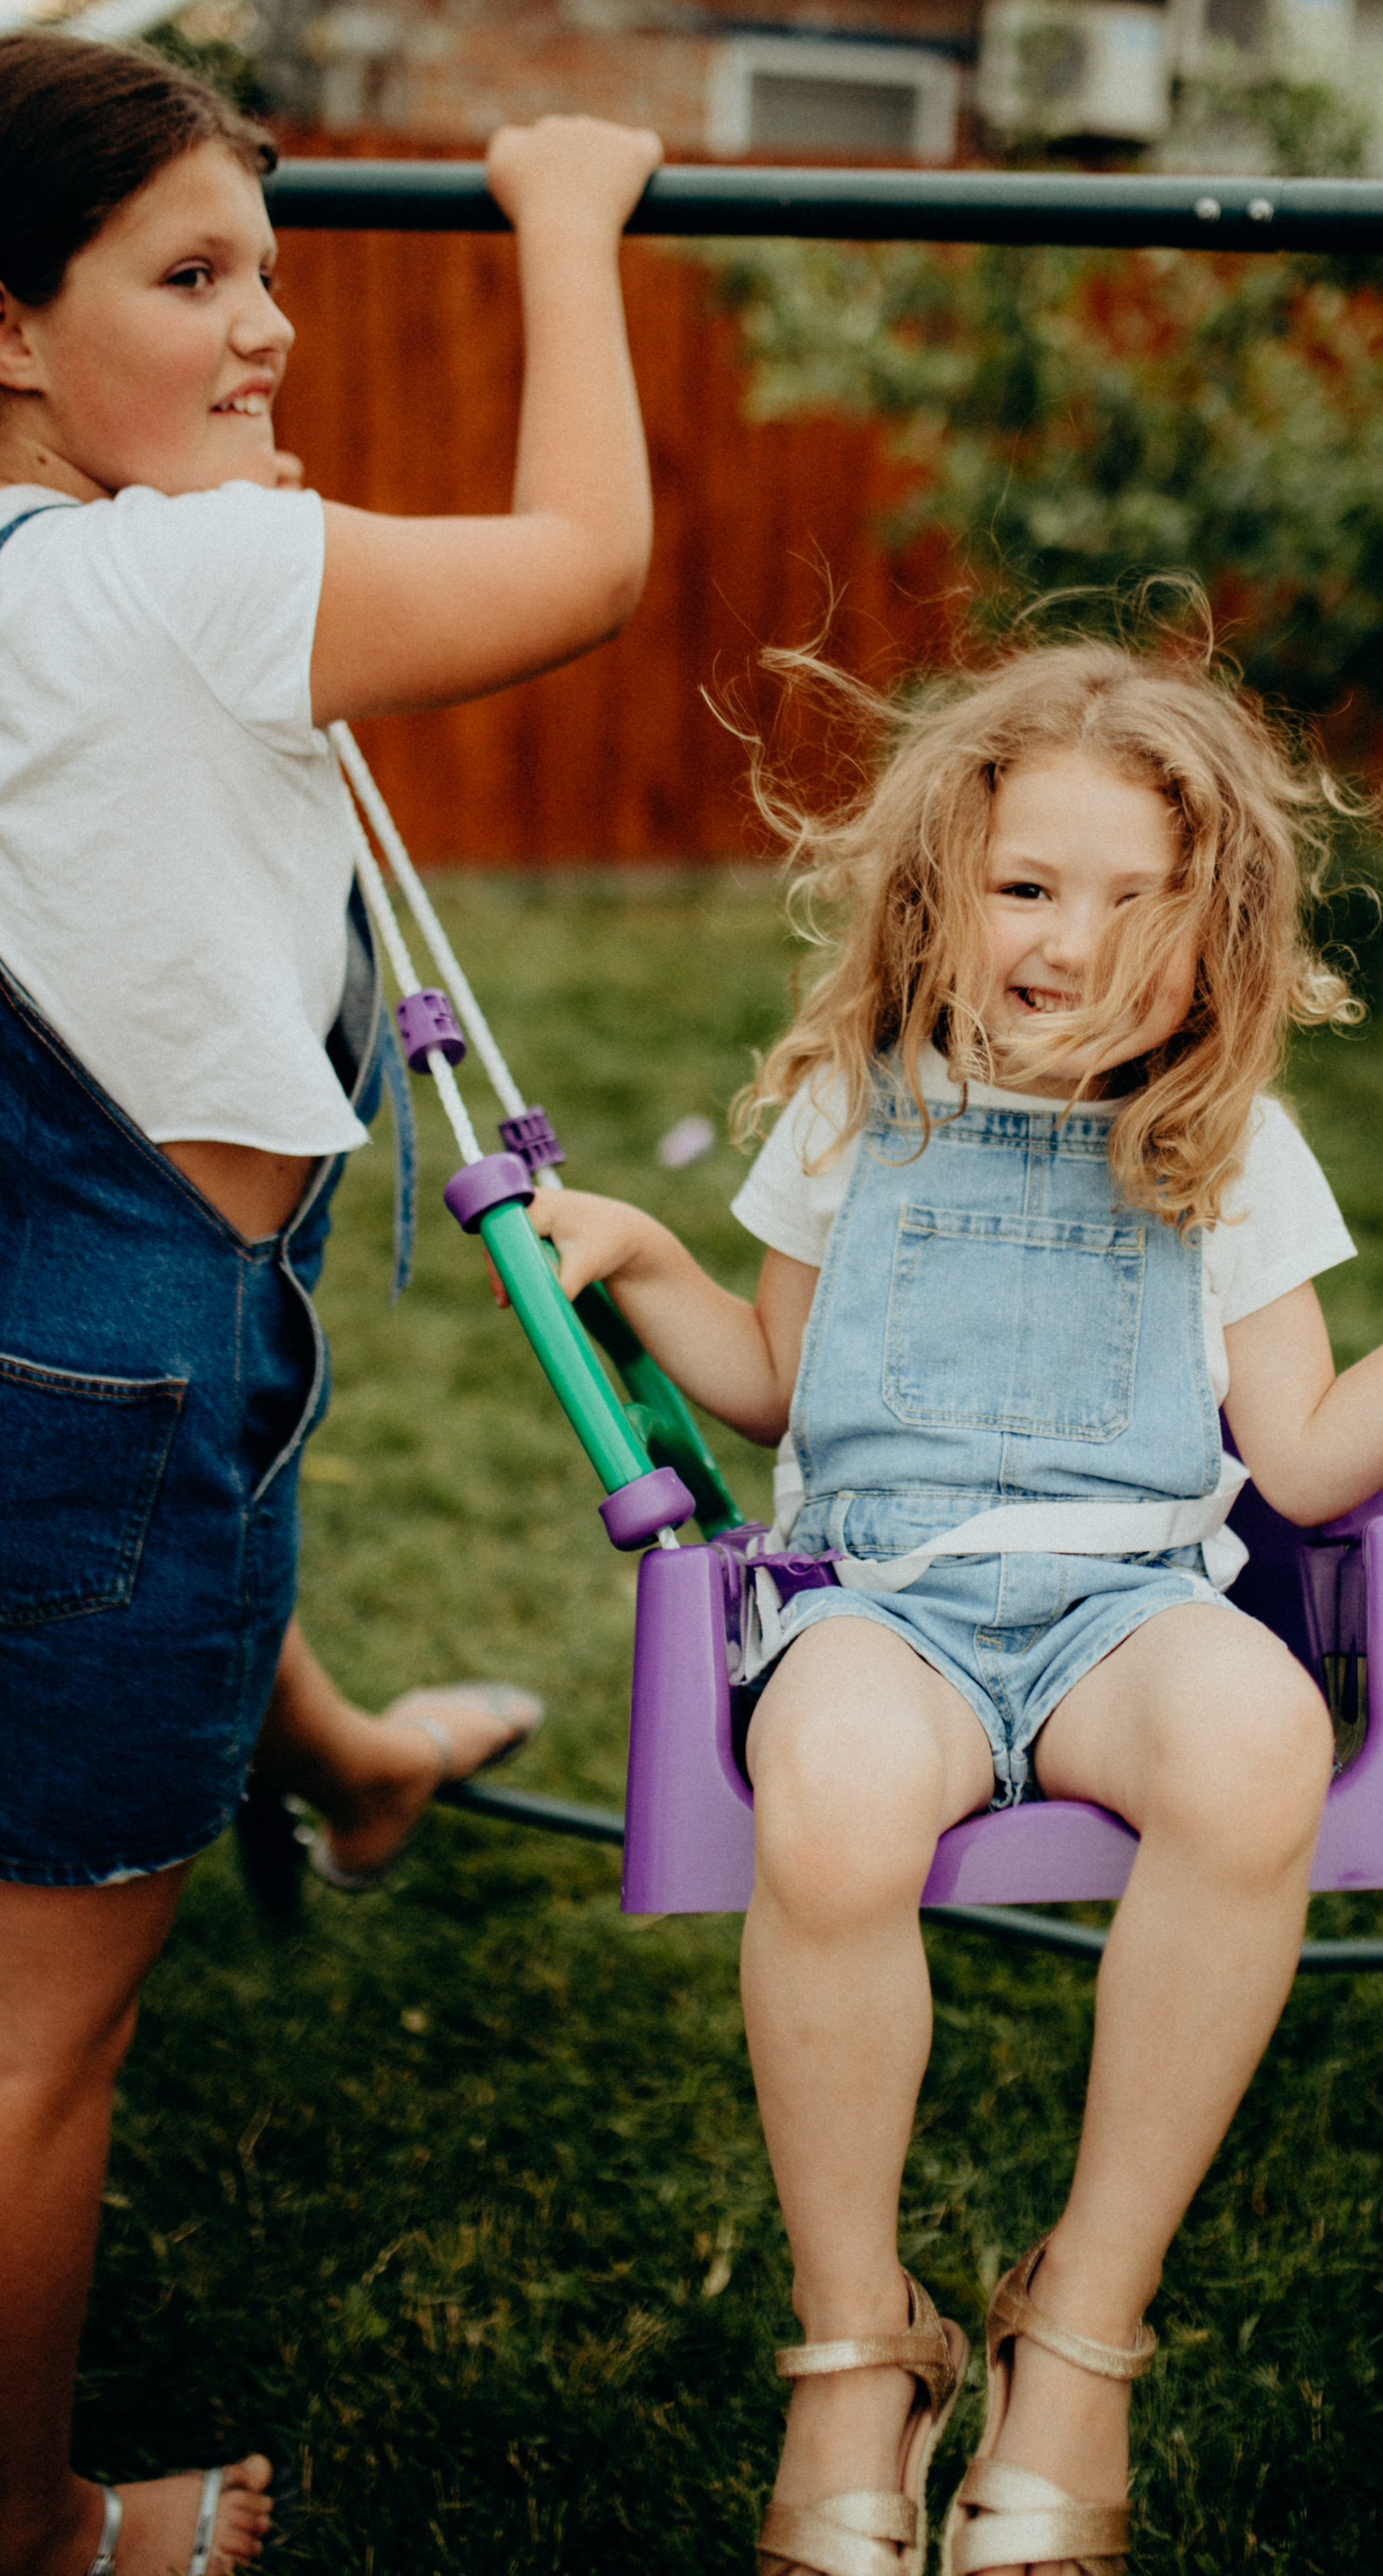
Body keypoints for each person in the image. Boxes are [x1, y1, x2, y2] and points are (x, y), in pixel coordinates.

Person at [521, 635, 1383, 2576]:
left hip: (1127, 1606)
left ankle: (1080, 2327)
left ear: (1213, 925)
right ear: (940, 890)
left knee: (1257, 1738)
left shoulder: (1228, 1141)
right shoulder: (854, 1110)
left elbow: (1303, 1461)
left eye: (1139, 901)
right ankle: (856, 2338)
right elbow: (780, 1391)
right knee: (830, 1793)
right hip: (881, 1603)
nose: (1075, 944)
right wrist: (637, 1255)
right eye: (1028, 887)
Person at [0, 32, 660, 2575]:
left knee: (159, 1581)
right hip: (120, 1346)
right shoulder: (177, 588)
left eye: (267, 268)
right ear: (11, 324)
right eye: (193, 277)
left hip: (64, 1302)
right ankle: (37, 2525)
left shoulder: (78, 563)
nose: (269, 326)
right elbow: (585, 560)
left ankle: (348, 1759)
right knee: (43, 2035)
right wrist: (567, 218)